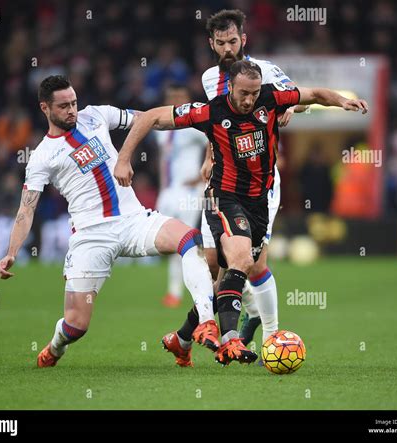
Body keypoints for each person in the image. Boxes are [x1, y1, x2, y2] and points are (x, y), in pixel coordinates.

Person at [114, 60, 368, 365]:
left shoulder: (271, 98)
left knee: (228, 276)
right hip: (222, 197)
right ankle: (231, 340)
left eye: (254, 92)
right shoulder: (210, 112)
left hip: (258, 202)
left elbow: (313, 94)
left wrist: (343, 101)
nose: (249, 99)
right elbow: (153, 116)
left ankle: (181, 339)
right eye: (244, 93)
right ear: (230, 87)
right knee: (239, 260)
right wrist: (124, 158)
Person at [0, 75, 219, 368]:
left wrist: (201, 120)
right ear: (45, 108)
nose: (72, 110)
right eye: (63, 106)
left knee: (189, 239)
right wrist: (12, 252)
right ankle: (55, 347)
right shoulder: (42, 157)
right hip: (91, 236)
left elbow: (148, 119)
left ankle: (205, 322)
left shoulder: (97, 115)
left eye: (74, 102)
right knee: (76, 326)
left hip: (134, 220)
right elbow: (27, 209)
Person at [169, 10, 311, 361]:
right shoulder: (208, 79)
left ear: (243, 39)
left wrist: (292, 109)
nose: (228, 47)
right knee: (217, 264)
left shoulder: (264, 71)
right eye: (221, 42)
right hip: (224, 181)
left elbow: (298, 99)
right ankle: (187, 336)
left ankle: (271, 337)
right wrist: (208, 156)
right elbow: (218, 120)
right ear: (211, 44)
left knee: (252, 263)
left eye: (234, 40)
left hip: (261, 182)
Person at [155, 85, 208, 308]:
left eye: (179, 97)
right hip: (169, 191)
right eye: (171, 97)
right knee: (166, 242)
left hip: (189, 191)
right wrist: (162, 185)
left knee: (184, 243)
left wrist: (201, 177)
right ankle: (183, 289)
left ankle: (184, 293)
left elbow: (214, 142)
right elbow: (162, 159)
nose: (175, 101)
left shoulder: (193, 126)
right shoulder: (163, 128)